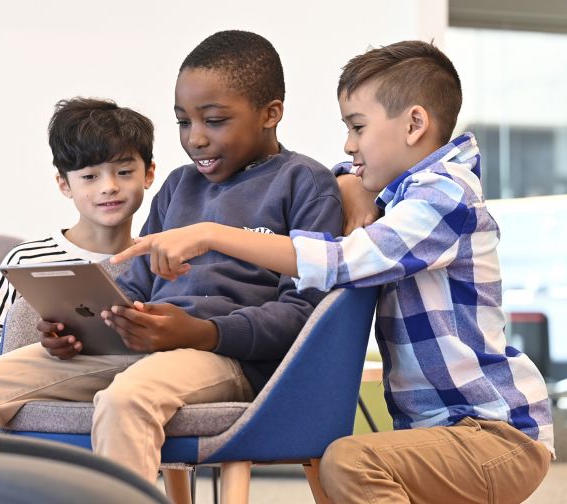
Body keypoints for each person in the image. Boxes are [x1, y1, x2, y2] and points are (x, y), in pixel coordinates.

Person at [112, 40, 554, 502]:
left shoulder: (446, 201)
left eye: (357, 127)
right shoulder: (401, 196)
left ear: (414, 124)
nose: (348, 144)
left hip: (496, 434)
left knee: (350, 463)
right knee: (348, 466)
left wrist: (212, 233)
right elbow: (341, 175)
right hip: (437, 431)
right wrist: (349, 179)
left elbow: (341, 262)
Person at [0, 29, 343, 484]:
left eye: (215, 120)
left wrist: (202, 331)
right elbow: (134, 283)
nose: (196, 139)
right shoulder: (178, 187)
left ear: (271, 114)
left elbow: (304, 315)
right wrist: (78, 328)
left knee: (126, 399)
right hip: (142, 346)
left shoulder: (305, 184)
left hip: (228, 358)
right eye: (184, 122)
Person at [0, 97, 156, 365]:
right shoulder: (27, 260)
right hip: (44, 392)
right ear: (64, 184)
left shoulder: (156, 260)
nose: (109, 186)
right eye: (89, 177)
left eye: (124, 171)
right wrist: (39, 337)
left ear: (148, 174)